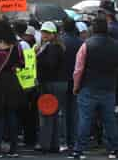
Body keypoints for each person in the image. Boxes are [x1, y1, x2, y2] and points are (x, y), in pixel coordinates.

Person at [72, 17, 118, 159]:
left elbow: (78, 69)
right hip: (109, 88)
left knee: (85, 119)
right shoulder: (116, 45)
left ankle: (79, 150)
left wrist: (76, 86)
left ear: (93, 29)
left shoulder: (86, 45)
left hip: (88, 87)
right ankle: (114, 148)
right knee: (109, 120)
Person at [0, 20, 24, 158]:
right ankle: (13, 148)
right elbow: (22, 63)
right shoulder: (16, 46)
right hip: (13, 82)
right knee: (12, 115)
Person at [36, 21, 66, 153]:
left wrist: (37, 59)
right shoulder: (55, 46)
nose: (44, 34)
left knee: (46, 114)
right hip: (57, 83)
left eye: (48, 32)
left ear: (54, 34)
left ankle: (46, 145)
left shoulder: (52, 47)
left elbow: (50, 65)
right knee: (53, 114)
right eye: (43, 31)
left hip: (51, 83)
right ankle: (53, 144)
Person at [61, 18, 83, 152]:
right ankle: (74, 140)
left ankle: (65, 140)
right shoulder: (81, 43)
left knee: (63, 111)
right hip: (77, 80)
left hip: (62, 79)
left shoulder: (60, 42)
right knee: (75, 112)